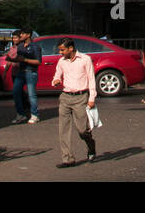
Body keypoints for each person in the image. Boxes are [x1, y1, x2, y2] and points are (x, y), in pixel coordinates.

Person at [51, 38, 97, 168]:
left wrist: (92, 98)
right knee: (63, 129)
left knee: (83, 130)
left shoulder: (85, 59)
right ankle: (68, 159)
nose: (60, 52)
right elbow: (57, 75)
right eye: (60, 50)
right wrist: (55, 81)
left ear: (71, 48)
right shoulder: (61, 61)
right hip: (65, 97)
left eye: (62, 50)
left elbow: (91, 79)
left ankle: (91, 145)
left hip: (81, 97)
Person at [8, 29, 41, 124]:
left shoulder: (35, 47)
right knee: (16, 91)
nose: (21, 35)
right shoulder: (21, 46)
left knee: (31, 94)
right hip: (21, 72)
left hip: (31, 71)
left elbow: (38, 61)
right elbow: (17, 58)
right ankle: (20, 114)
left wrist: (25, 59)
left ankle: (35, 115)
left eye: (23, 33)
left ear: (28, 35)